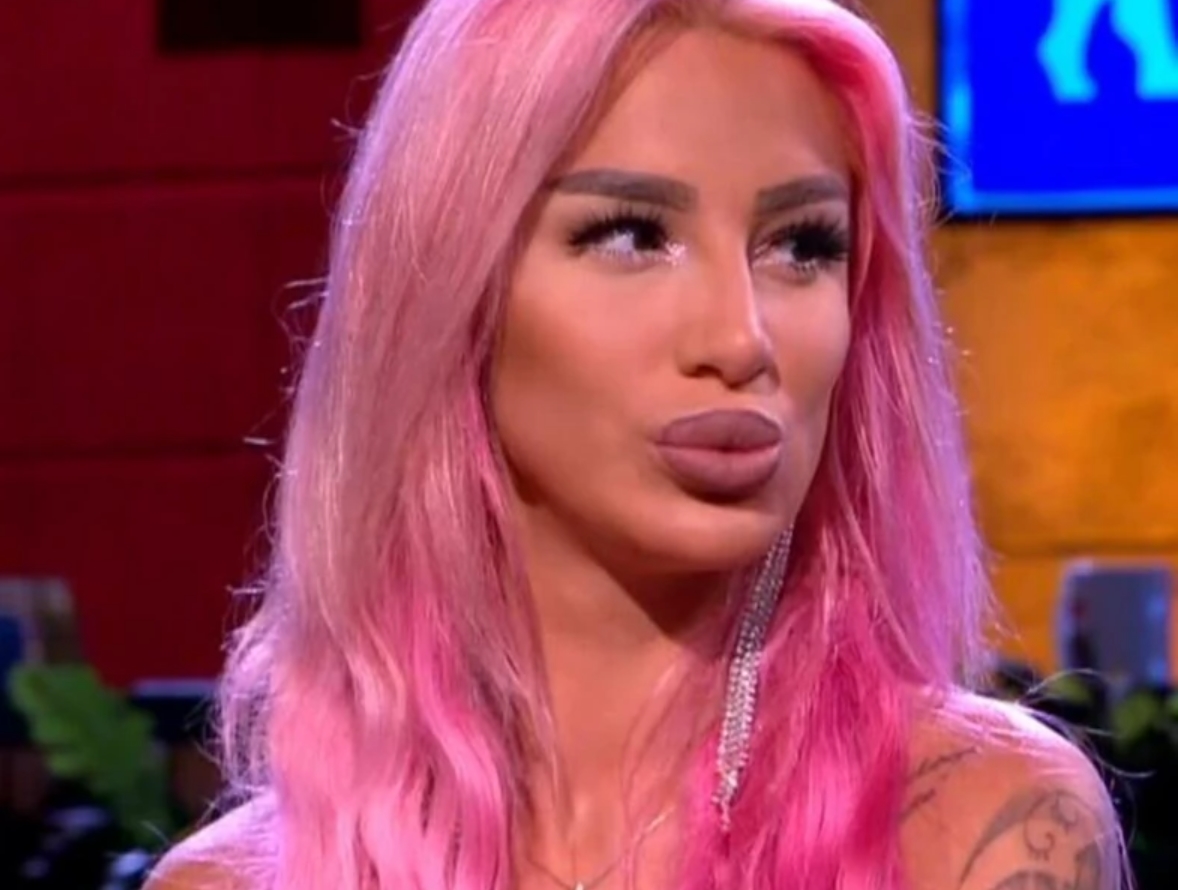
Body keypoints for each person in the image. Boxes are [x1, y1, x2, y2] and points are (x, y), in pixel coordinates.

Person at [149, 0, 1127, 888]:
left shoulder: (984, 831)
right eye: (630, 235)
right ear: (454, 294)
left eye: (802, 245)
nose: (739, 338)